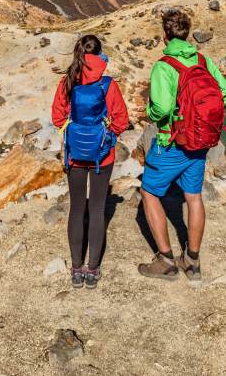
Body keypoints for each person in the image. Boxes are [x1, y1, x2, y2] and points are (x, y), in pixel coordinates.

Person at [138, 9, 226, 281]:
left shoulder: (164, 66)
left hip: (171, 142)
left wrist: (152, 113)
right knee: (193, 197)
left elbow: (162, 107)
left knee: (149, 192)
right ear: (188, 33)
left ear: (165, 35)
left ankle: (166, 261)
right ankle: (192, 262)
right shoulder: (203, 61)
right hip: (201, 143)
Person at [51, 34, 129, 289]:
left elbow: (57, 117)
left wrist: (73, 129)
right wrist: (107, 135)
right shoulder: (108, 85)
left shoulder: (67, 82)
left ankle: (75, 268)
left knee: (76, 209)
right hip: (101, 156)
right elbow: (121, 119)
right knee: (97, 210)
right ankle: (92, 269)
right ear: (100, 54)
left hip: (74, 154)